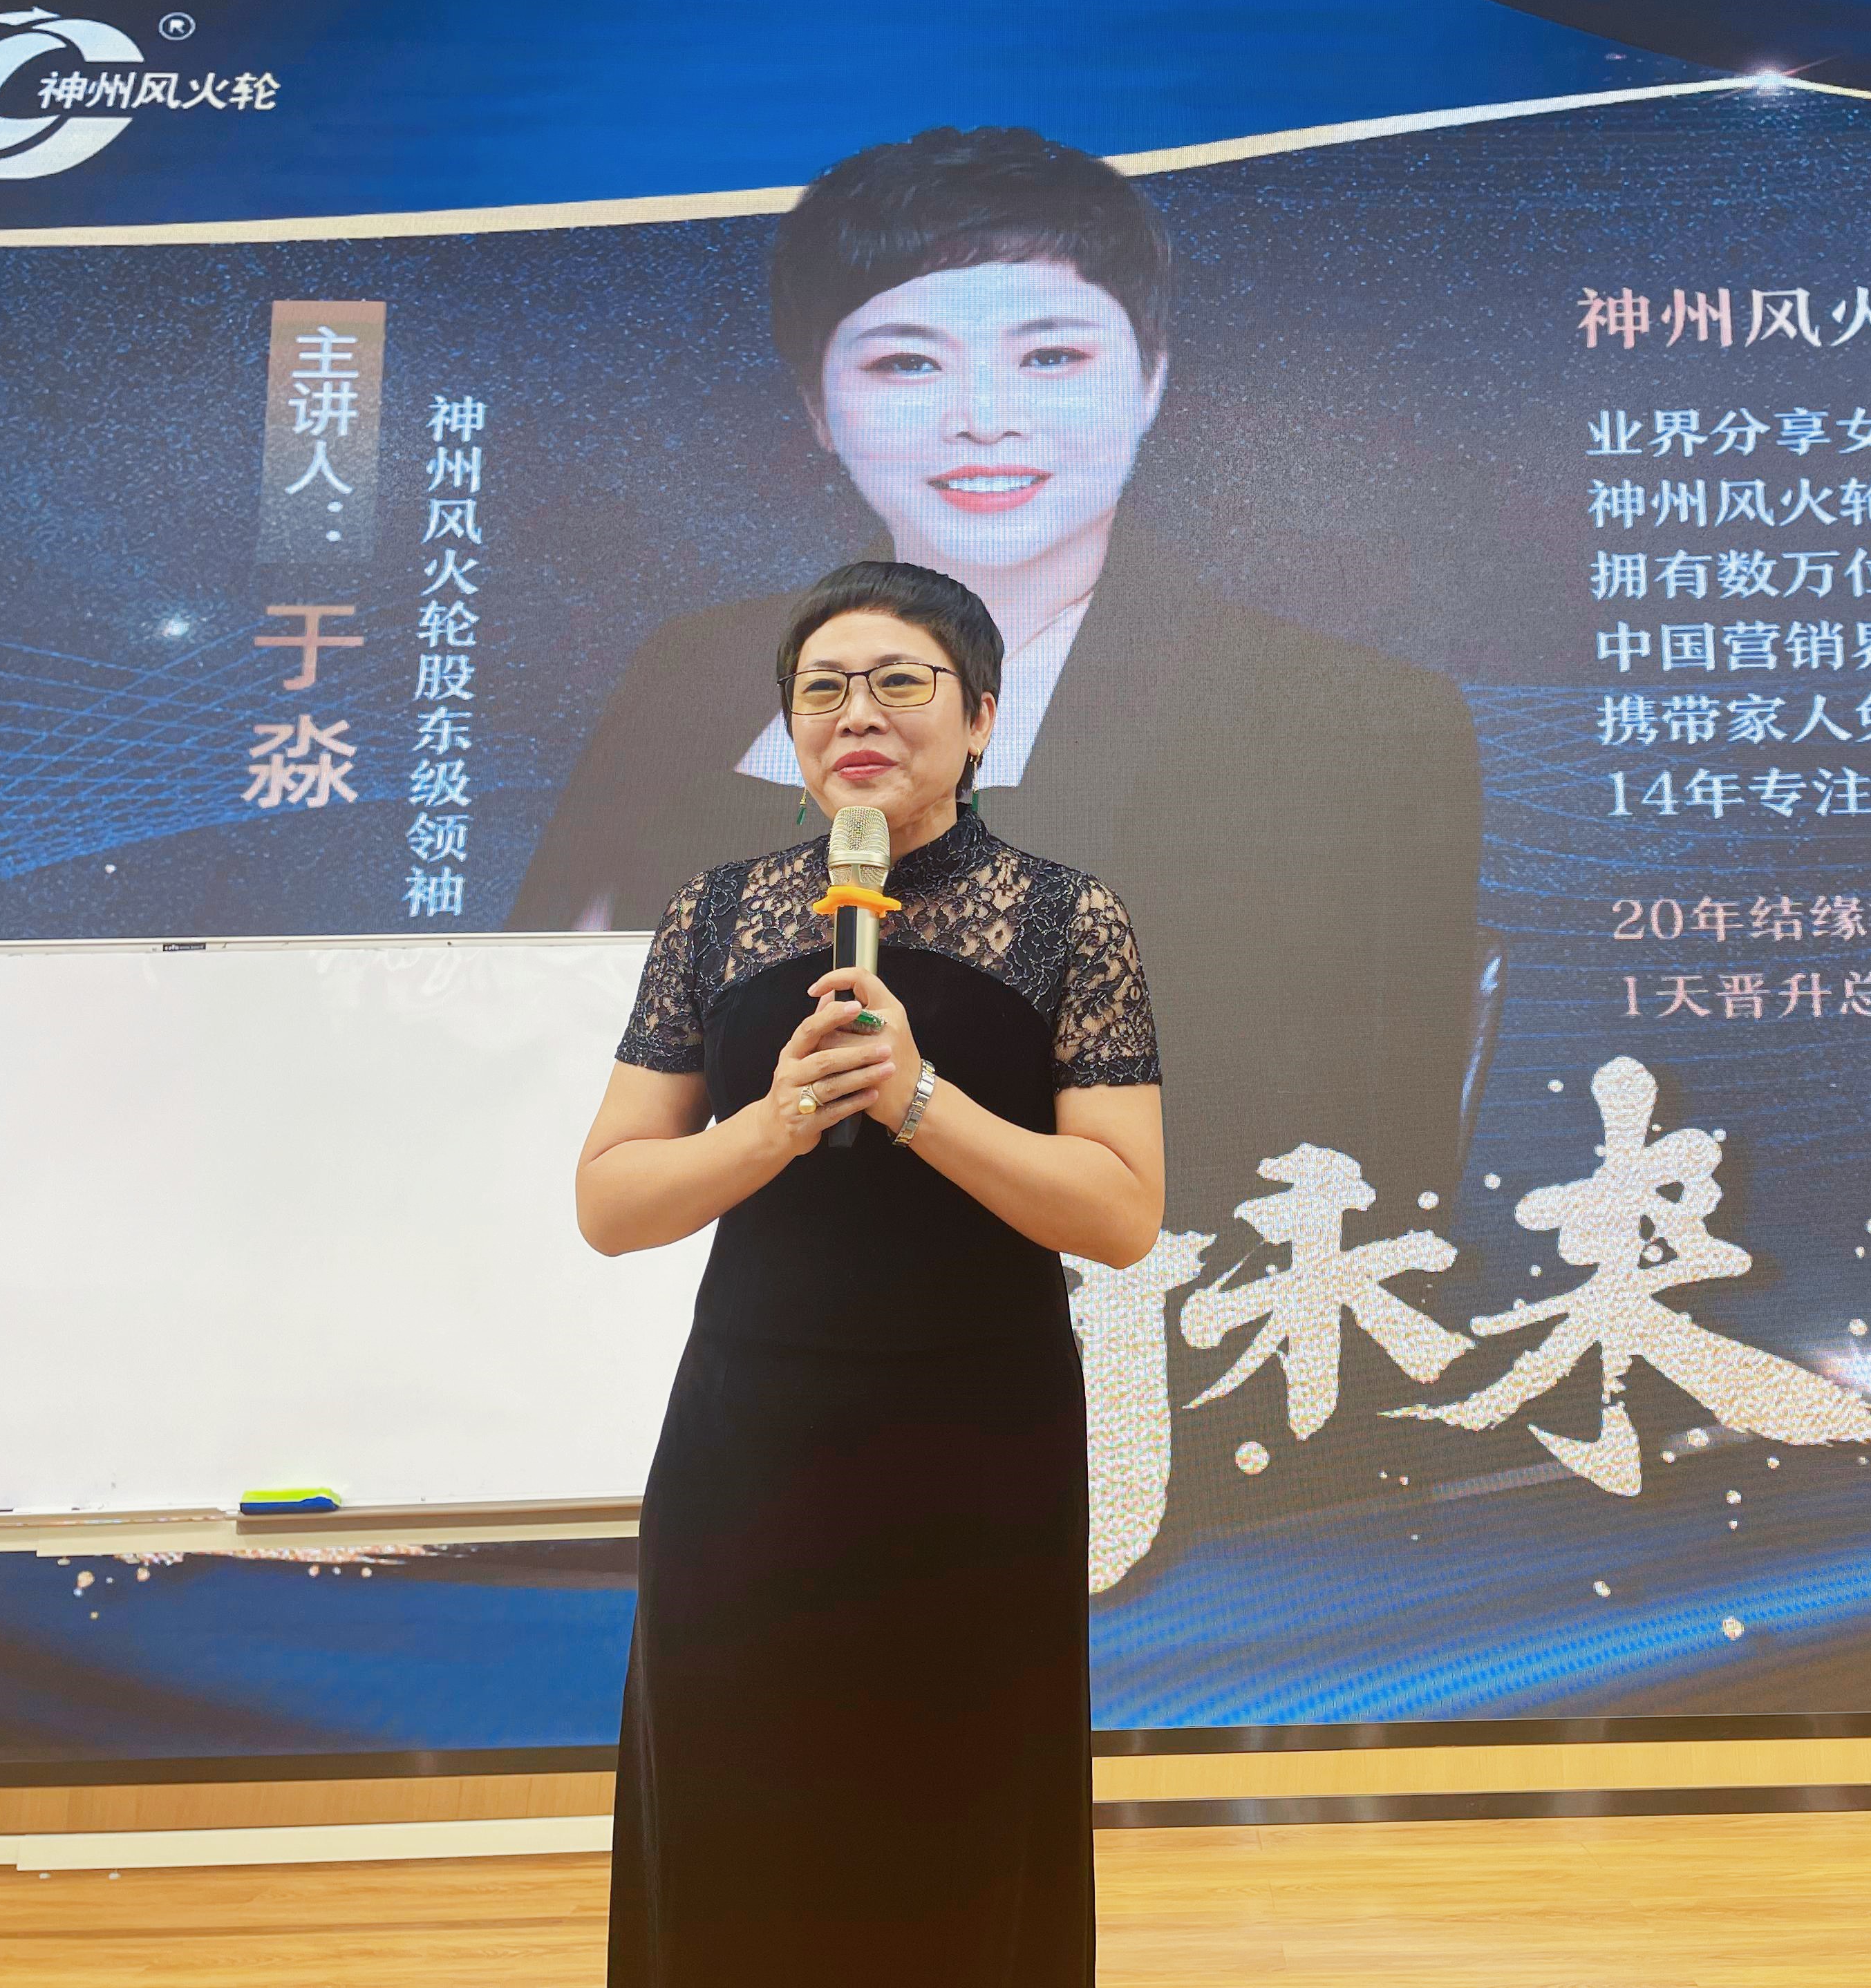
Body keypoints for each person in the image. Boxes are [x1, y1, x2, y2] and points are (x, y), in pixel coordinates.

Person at [513, 126, 1486, 1242]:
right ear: (818, 405)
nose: (984, 417)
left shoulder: (1363, 724)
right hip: (738, 1275)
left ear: (1152, 379)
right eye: (907, 363)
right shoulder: (696, 672)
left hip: (1147, 1302)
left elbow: (1383, 1160)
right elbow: (547, 1026)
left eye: (1051, 357)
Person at [574, 560, 1163, 1985]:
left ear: (982, 717)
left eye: (901, 682)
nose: (859, 715)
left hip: (981, 1443)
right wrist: (776, 1125)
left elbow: (1121, 1212)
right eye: (822, 689)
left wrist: (918, 1100)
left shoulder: (1066, 917)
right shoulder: (717, 913)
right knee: (737, 1803)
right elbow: (612, 1200)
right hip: (751, 1437)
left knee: (956, 1810)